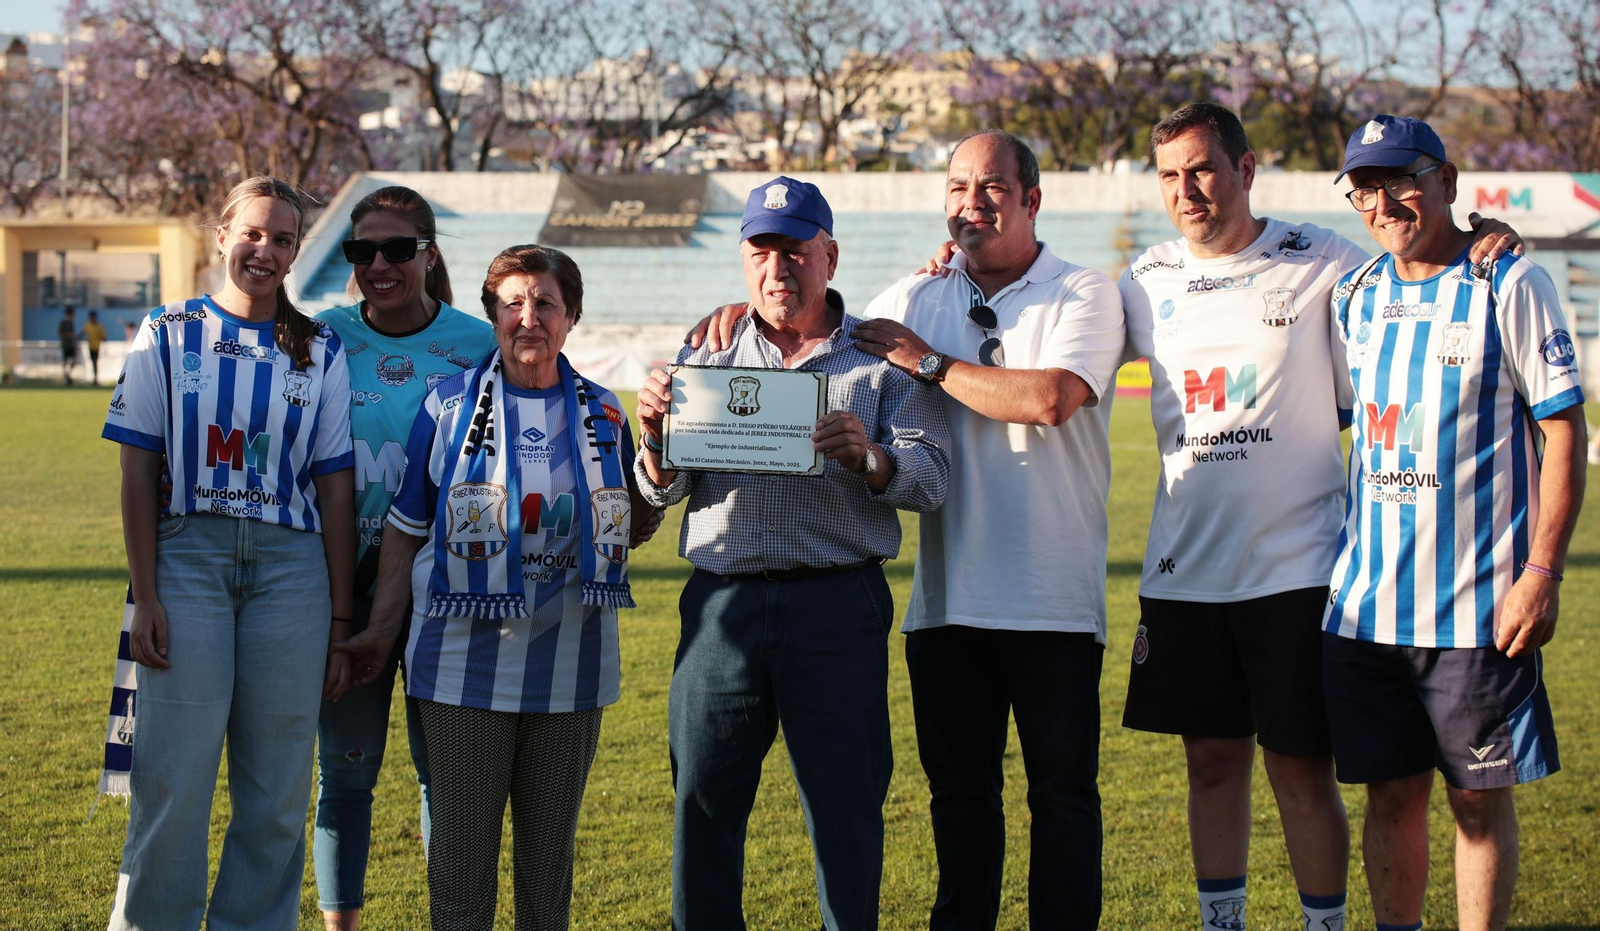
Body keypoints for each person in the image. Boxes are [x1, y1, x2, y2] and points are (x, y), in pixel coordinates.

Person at [635, 177, 951, 931]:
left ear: (830, 255)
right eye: (762, 251)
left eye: (796, 250)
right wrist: (652, 437)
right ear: (744, 261)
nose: (780, 268)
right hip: (721, 604)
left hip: (836, 603)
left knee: (846, 812)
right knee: (703, 808)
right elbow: (659, 495)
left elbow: (932, 479)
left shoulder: (878, 358)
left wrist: (871, 459)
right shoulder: (704, 351)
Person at [335, 244, 649, 931]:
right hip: (461, 672)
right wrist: (381, 631)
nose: (528, 317)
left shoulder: (605, 414)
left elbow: (634, 522)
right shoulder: (444, 407)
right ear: (493, 316)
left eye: (545, 303)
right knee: (459, 876)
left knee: (547, 879)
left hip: (573, 673)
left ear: (571, 319)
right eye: (512, 303)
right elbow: (404, 532)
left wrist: (658, 460)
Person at [1325, 114, 1585, 931]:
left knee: (1477, 803)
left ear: (1446, 180)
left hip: (1478, 612)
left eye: (1401, 177)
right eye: (1365, 186)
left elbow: (1563, 429)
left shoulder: (1510, 284)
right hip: (1366, 613)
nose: (1382, 199)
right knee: (1391, 795)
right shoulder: (1354, 294)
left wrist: (1541, 573)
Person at [101, 176, 355, 931]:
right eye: (252, 233)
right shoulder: (167, 331)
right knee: (172, 782)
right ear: (221, 236)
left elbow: (337, 492)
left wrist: (341, 617)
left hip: (291, 574)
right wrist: (145, 594)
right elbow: (137, 472)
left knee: (276, 794)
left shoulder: (320, 348)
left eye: (283, 239)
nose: (265, 250)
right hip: (187, 563)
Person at [312, 186, 498, 931]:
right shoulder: (319, 335)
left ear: (429, 252)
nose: (378, 265)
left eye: (396, 249)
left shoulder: (479, 342)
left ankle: (447, 920)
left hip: (445, 593)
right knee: (347, 770)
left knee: (443, 777)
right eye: (362, 251)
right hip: (338, 590)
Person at [84, 310, 107, 384]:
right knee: (93, 362)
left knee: (95, 362)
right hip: (90, 346)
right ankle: (94, 378)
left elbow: (103, 337)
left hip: (97, 347)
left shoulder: (99, 326)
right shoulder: (88, 325)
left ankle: (95, 378)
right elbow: (83, 333)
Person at [60, 305, 78, 385]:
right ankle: (66, 376)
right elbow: (61, 333)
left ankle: (68, 375)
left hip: (71, 345)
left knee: (74, 361)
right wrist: (70, 335)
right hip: (66, 345)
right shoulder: (63, 323)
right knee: (65, 361)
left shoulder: (71, 323)